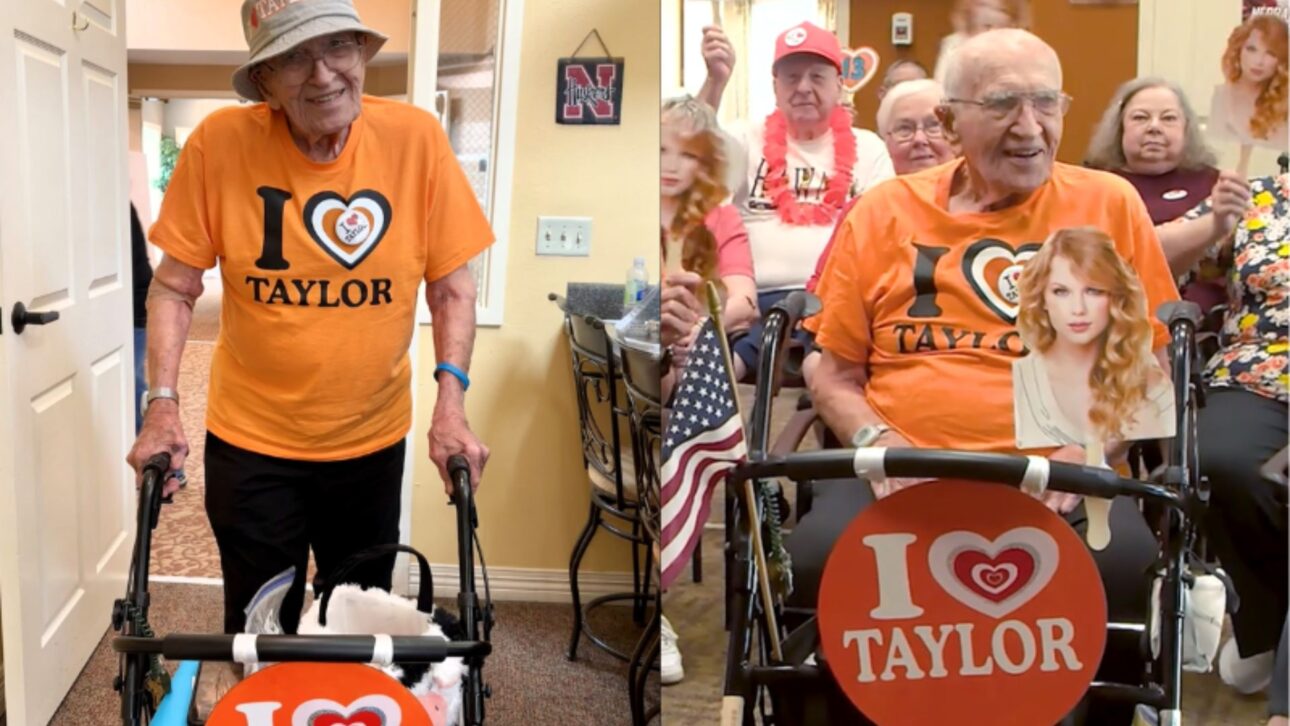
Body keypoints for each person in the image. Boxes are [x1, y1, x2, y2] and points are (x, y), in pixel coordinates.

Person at [802, 29, 1180, 724]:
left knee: (1123, 569)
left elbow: (1150, 369)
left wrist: (1086, 450)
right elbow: (834, 374)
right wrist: (879, 447)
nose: (1030, 127)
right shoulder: (884, 212)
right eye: (1004, 103)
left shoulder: (1110, 204)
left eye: (1046, 102)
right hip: (903, 475)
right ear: (949, 120)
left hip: (1065, 478)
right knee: (816, 561)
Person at [126, 0, 494, 639]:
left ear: (362, 53)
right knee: (260, 623)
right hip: (251, 444)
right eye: (293, 56)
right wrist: (161, 405)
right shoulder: (220, 145)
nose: (322, 74)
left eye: (337, 47)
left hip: (370, 441)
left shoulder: (416, 140)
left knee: (356, 622)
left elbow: (452, 288)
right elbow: (174, 288)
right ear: (264, 82)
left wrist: (451, 406)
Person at [697, 20, 894, 380]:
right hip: (754, 304)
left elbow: (882, 238)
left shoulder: (869, 148)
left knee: (831, 368)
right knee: (720, 371)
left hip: (837, 305)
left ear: (839, 85)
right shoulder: (745, 137)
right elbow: (690, 156)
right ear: (775, 87)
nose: (803, 87)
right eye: (791, 77)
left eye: (817, 77)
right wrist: (715, 82)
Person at [1175, 173, 1288, 698]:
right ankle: (1267, 628)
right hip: (1256, 372)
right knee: (1217, 459)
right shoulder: (1261, 193)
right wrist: (1213, 223)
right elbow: (1159, 268)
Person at [1012, 228, 1174, 454]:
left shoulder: (1146, 378)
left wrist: (1090, 456)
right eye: (1061, 291)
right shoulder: (1026, 376)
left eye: (1094, 291)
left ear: (1116, 298)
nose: (1078, 309)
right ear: (1042, 299)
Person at [1209, 13, 1288, 148]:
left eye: (1270, 54)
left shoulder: (1284, 103)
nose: (1259, 61)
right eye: (1252, 49)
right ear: (1238, 50)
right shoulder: (1221, 95)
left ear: (1280, 60)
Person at [933, 0, 1030, 87]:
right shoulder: (953, 44)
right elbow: (941, 86)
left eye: (999, 9)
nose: (988, 14)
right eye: (982, 5)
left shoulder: (1020, 48)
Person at [130, 203, 154, 434]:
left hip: (135, 307)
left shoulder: (118, 209)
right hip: (127, 303)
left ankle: (168, 468)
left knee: (132, 384)